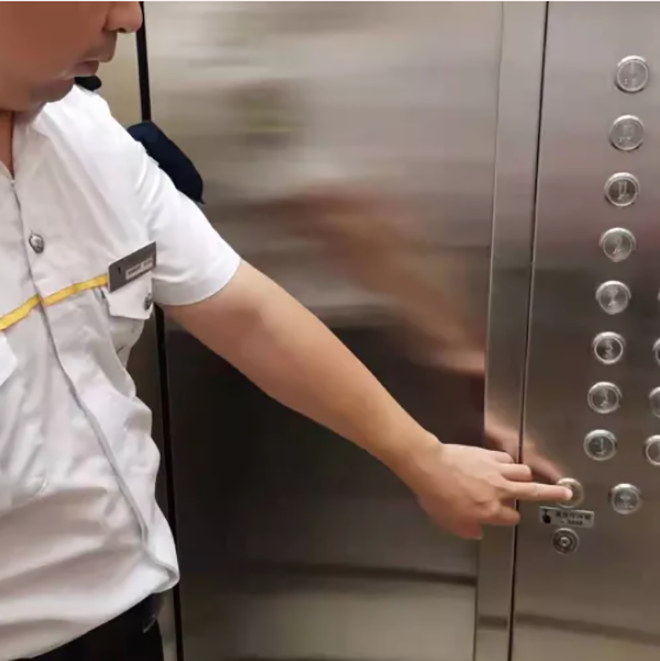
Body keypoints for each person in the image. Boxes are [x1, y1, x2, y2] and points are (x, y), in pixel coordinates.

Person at [0, 3, 571, 661]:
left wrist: (425, 457)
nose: (129, 17)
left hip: (123, 614)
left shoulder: (87, 138)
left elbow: (246, 312)